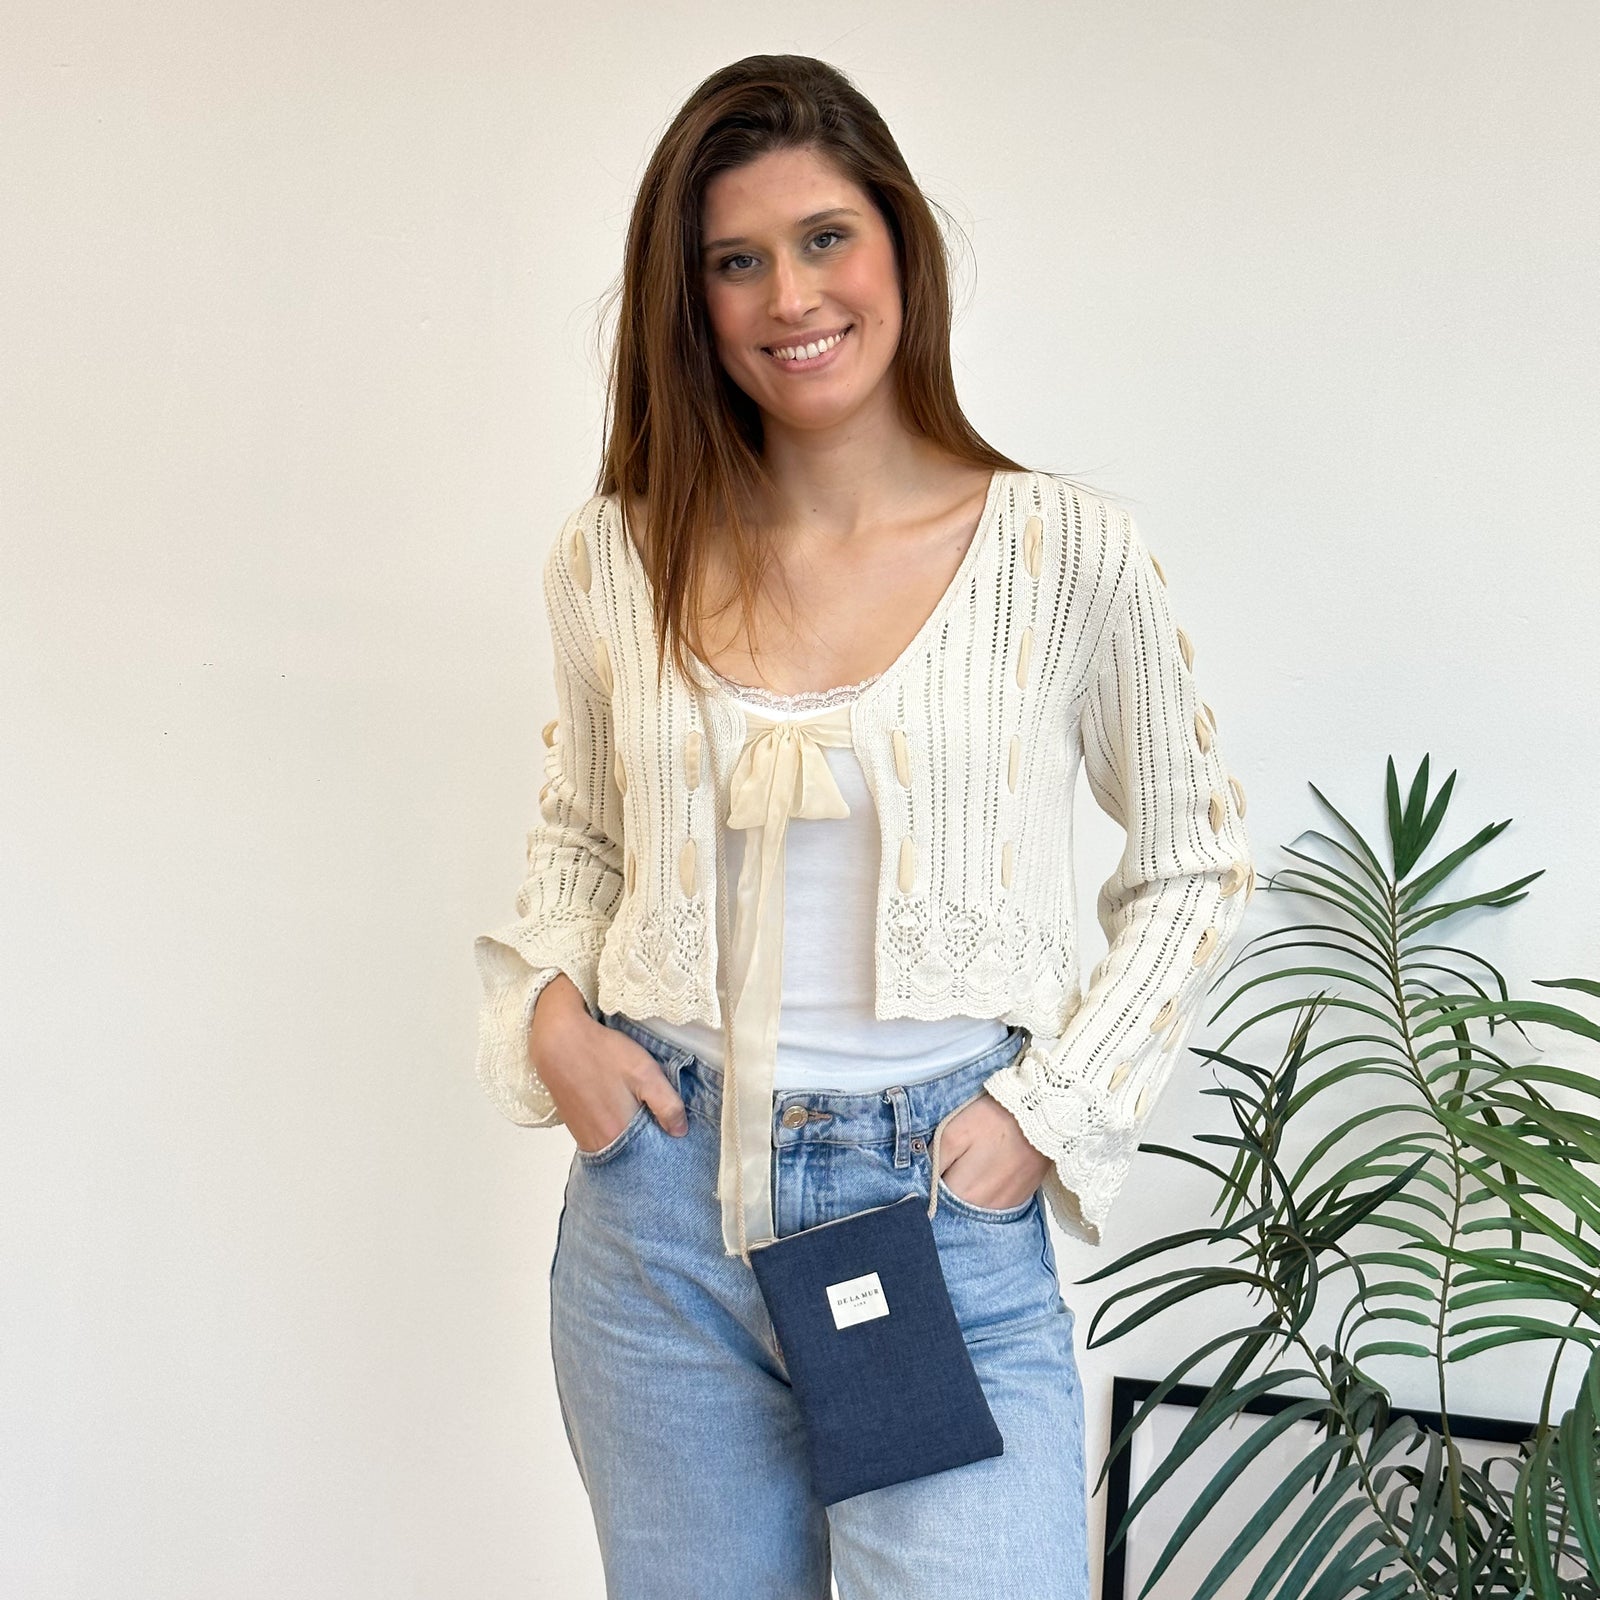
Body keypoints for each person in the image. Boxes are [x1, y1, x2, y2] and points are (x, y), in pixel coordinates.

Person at [473, 53, 1256, 1600]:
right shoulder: (614, 555)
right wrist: (550, 1016)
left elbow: (1193, 863)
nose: (791, 296)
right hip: (657, 1228)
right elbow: (580, 841)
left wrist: (1050, 1111)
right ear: (690, 299)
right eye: (736, 261)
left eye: (826, 237)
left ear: (900, 245)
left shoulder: (1062, 554)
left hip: (933, 1217)